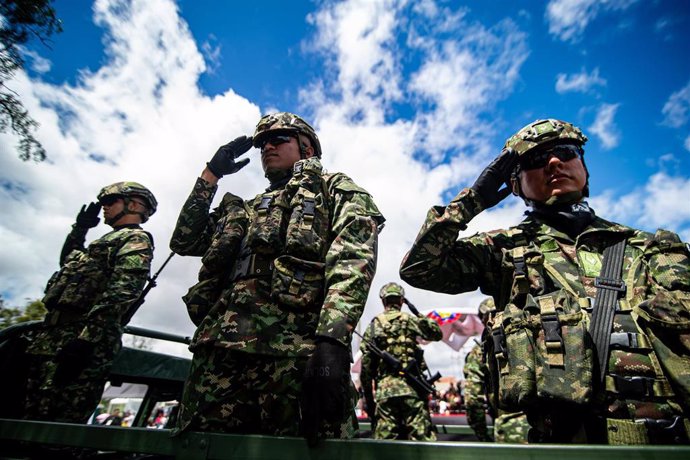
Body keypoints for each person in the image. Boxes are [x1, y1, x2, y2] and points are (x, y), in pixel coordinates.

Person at [400, 118, 690, 444]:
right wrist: (471, 202)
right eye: (535, 160)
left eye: (565, 153)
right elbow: (420, 268)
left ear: (583, 166)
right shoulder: (503, 251)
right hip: (570, 446)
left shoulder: (652, 249)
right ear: (515, 185)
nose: (553, 162)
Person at [170, 112, 384, 443]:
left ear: (307, 148)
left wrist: (332, 342)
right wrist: (210, 175)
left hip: (292, 355)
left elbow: (352, 259)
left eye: (278, 139)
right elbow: (185, 241)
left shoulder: (334, 189)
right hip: (220, 355)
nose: (267, 146)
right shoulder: (245, 207)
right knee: (202, 449)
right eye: (261, 144)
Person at [23, 182, 156, 423]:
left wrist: (85, 341)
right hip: (52, 338)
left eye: (110, 201)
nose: (104, 207)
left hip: (81, 341)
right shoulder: (100, 244)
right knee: (27, 416)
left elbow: (122, 291)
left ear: (135, 205)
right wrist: (80, 229)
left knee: (58, 423)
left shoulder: (135, 239)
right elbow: (69, 260)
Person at [359, 282, 442, 441]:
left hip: (386, 392)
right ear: (401, 301)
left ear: (383, 301)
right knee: (423, 441)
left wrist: (369, 400)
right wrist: (417, 313)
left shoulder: (374, 326)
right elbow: (436, 334)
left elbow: (367, 367)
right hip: (412, 389)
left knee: (386, 443)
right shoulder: (410, 320)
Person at [464, 298, 529, 443]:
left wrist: (482, 435)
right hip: (554, 426)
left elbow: (473, 399)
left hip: (510, 429)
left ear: (485, 319)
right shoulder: (533, 332)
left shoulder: (481, 351)